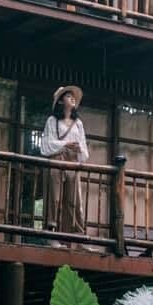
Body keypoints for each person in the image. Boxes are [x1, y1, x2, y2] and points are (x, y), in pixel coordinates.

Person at [40, 84, 88, 235]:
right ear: (61, 101)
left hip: (73, 162)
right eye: (68, 96)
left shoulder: (78, 123)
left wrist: (79, 149)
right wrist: (65, 144)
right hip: (56, 159)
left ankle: (78, 236)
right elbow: (46, 145)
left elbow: (84, 147)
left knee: (75, 202)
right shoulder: (52, 121)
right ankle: (51, 234)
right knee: (54, 199)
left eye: (73, 96)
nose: (72, 98)